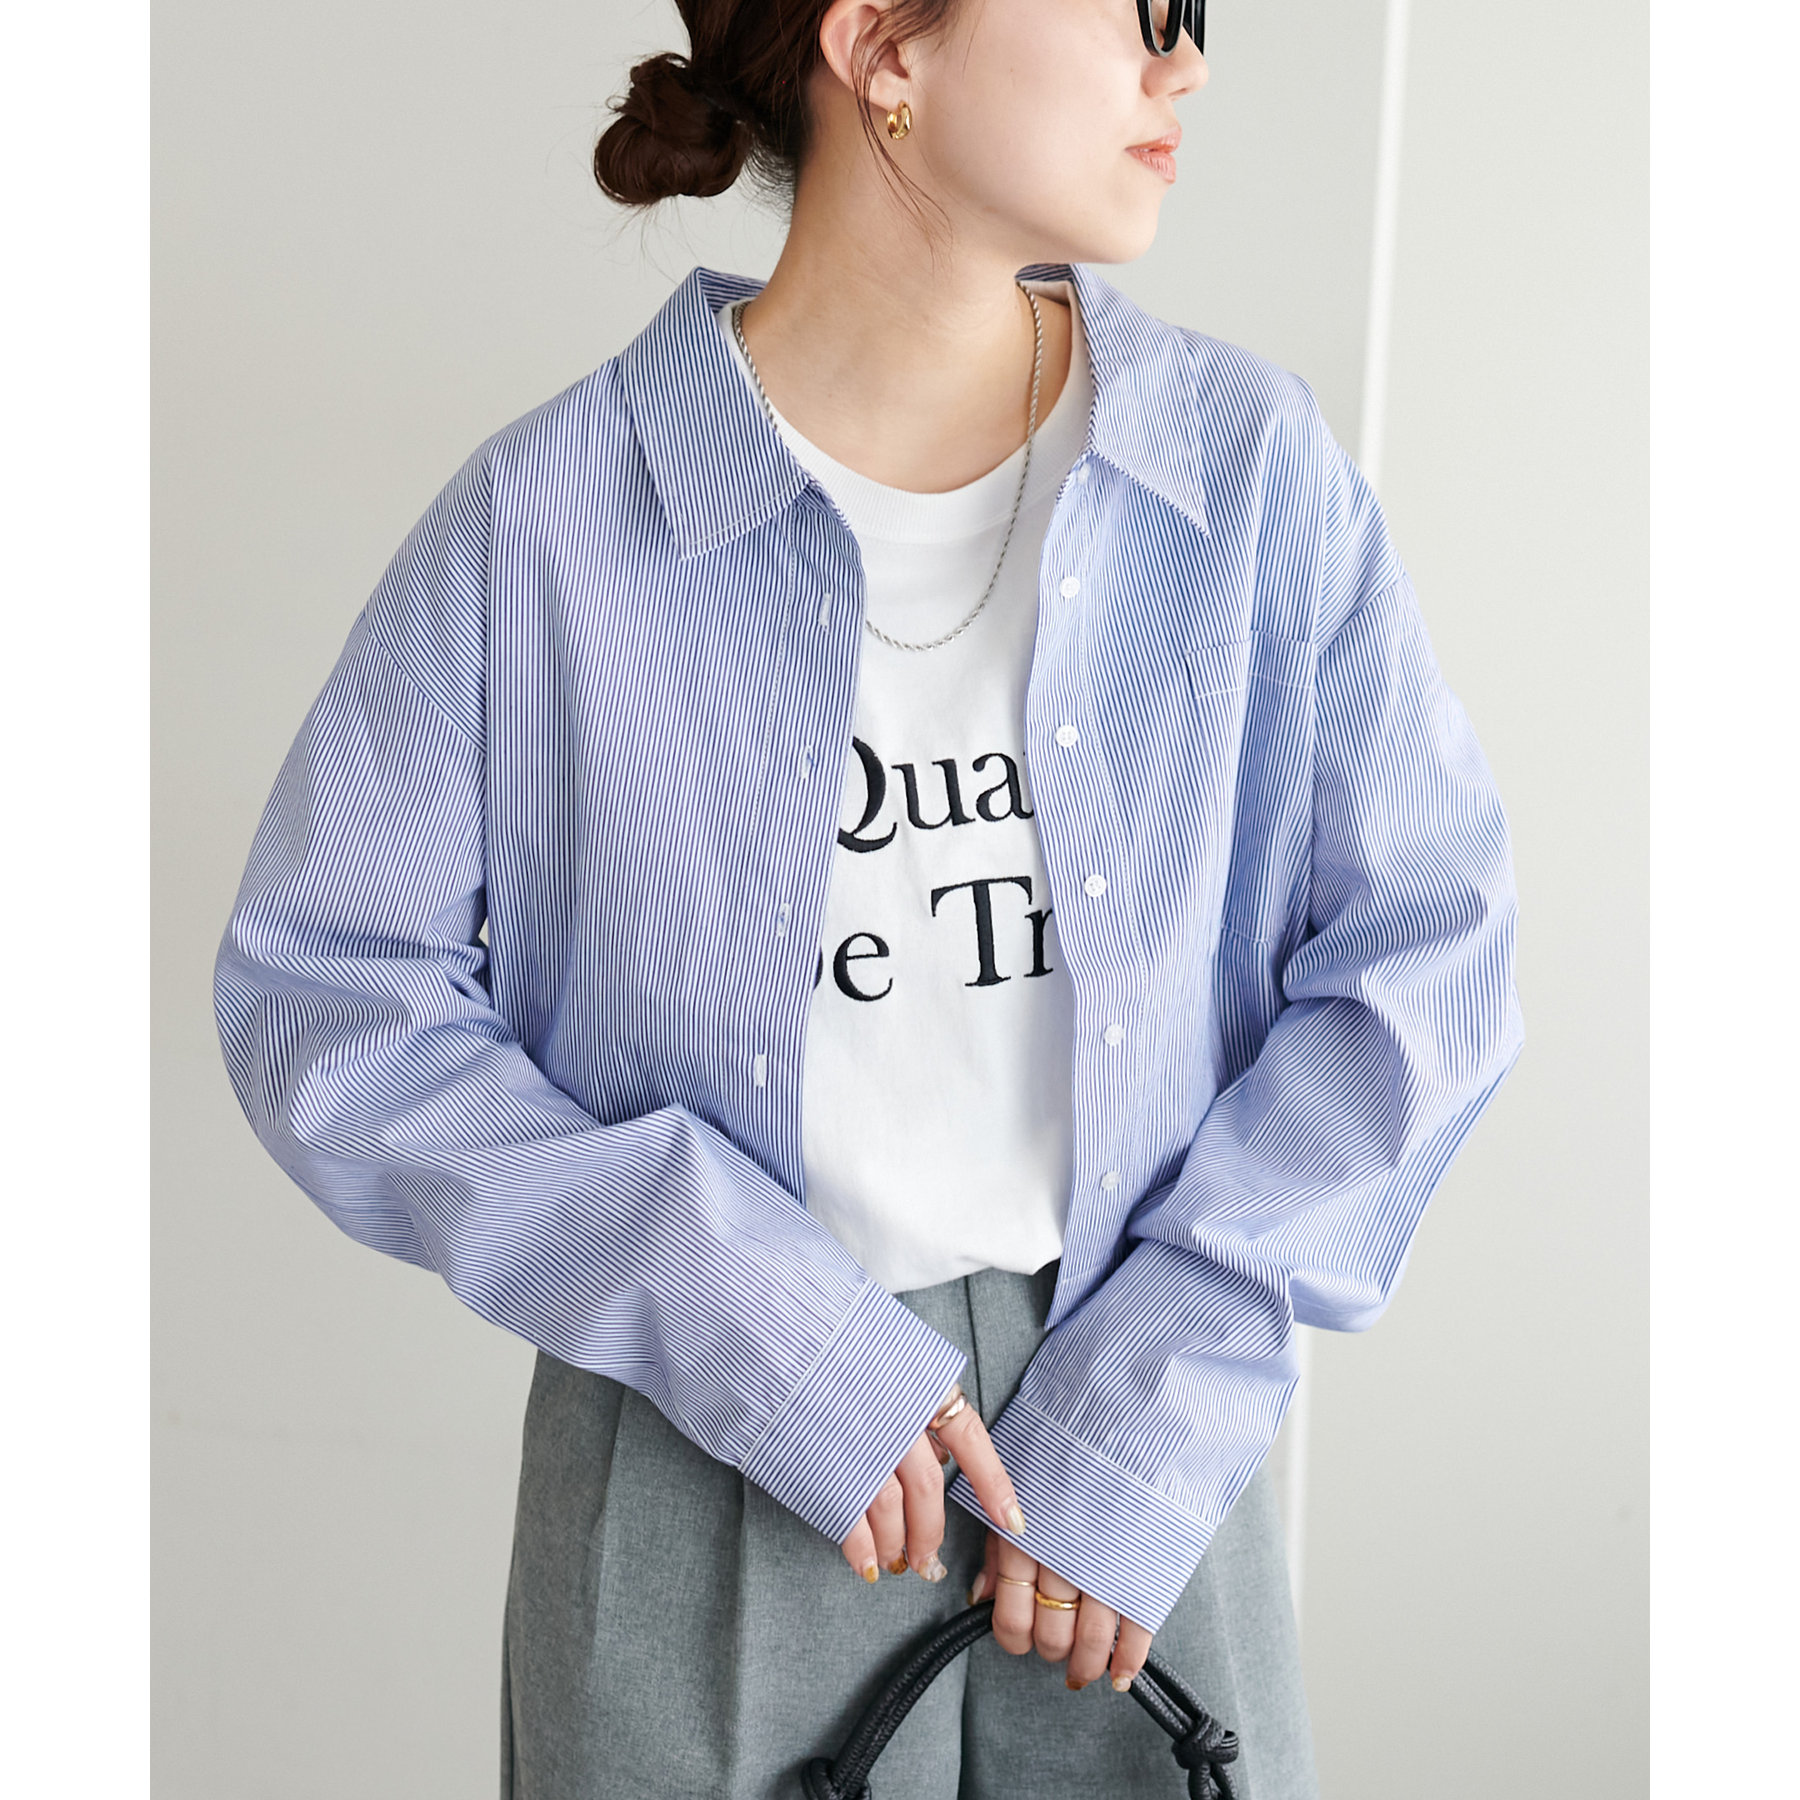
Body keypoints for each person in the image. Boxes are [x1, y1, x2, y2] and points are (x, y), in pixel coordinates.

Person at [212, 0, 1524, 1794]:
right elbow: (327, 996)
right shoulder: (553, 523)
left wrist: (1163, 1392)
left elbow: (1427, 955)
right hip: (713, 1431)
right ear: (882, 45)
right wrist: (741, 1317)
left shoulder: (1244, 473)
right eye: (1136, 5)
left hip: (1143, 1431)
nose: (1185, 61)